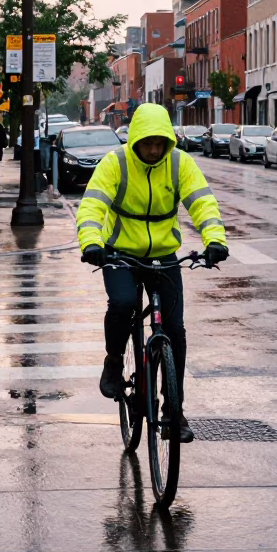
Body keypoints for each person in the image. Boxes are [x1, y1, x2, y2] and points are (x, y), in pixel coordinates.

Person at [76, 102, 228, 442]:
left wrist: (215, 239)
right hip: (120, 254)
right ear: (136, 141)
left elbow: (202, 201)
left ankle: (175, 412)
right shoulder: (115, 164)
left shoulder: (179, 163)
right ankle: (114, 360)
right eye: (148, 143)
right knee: (123, 303)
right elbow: (93, 204)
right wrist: (91, 243)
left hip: (164, 256)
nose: (154, 149)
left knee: (174, 330)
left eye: (160, 143)